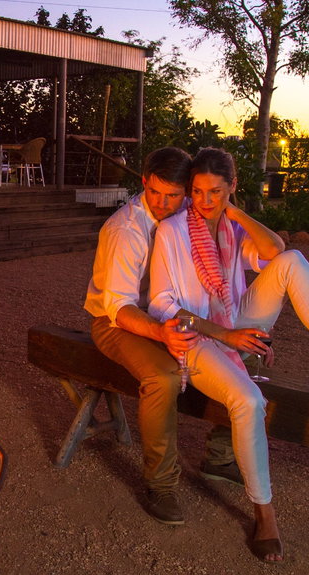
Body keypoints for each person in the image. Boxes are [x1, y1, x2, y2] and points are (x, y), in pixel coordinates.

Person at [148, 147, 309, 563]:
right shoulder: (173, 232)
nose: (205, 201)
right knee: (249, 402)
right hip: (196, 337)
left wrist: (233, 215)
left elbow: (274, 249)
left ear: (232, 188)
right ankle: (264, 513)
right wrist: (227, 335)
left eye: (216, 191)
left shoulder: (230, 226)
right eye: (197, 192)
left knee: (293, 261)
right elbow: (162, 306)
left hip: (233, 319)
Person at [84, 146, 240, 528]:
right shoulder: (127, 230)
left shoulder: (190, 217)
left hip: (169, 315)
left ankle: (220, 455)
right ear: (144, 182)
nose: (164, 203)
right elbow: (118, 307)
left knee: (240, 352)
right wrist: (161, 333)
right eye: (156, 193)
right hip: (118, 322)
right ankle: (162, 484)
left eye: (174, 195)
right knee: (162, 377)